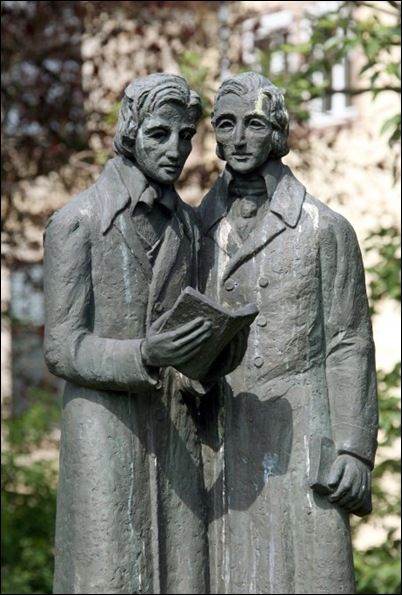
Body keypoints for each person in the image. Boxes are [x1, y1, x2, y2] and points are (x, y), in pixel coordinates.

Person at [198, 72, 378, 594]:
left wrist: (354, 450)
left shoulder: (324, 228)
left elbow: (349, 342)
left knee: (311, 572)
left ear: (277, 132)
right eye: (226, 124)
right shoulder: (194, 230)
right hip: (221, 434)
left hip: (304, 431)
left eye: (253, 124)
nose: (238, 138)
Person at [44, 73, 214, 595]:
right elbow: (62, 347)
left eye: (185, 136)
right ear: (131, 130)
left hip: (175, 430)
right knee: (110, 574)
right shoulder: (78, 222)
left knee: (183, 574)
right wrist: (142, 354)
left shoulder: (189, 227)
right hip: (105, 428)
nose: (175, 149)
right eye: (160, 133)